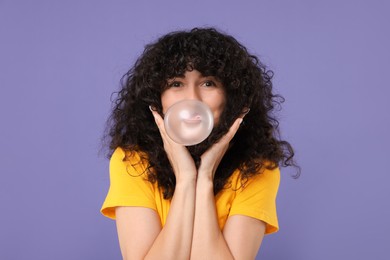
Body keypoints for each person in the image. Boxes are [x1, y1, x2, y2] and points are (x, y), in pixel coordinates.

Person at [101, 27, 297, 260]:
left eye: (208, 83)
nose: (192, 99)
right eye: (176, 84)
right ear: (156, 98)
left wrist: (204, 178)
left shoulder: (256, 169)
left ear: (231, 95)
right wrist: (186, 179)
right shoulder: (132, 161)